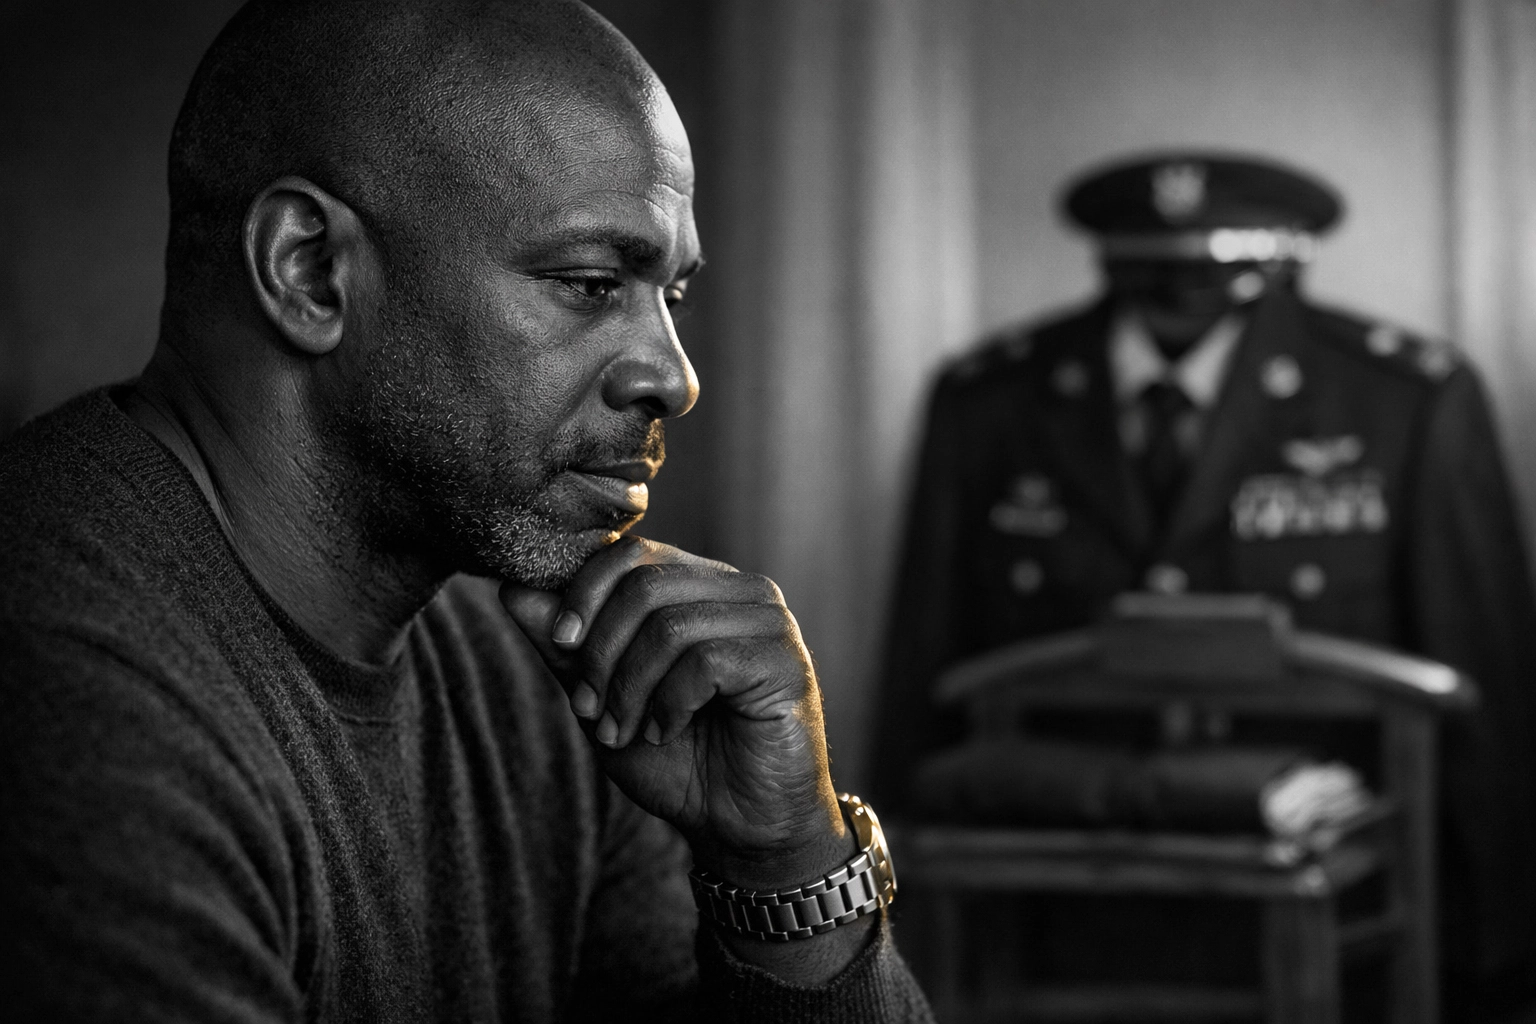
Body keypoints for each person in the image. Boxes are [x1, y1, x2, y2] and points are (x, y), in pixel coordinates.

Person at [0, 1, 933, 1020]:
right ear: (310, 271)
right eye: (591, 283)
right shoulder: (72, 683)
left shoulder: (540, 665)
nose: (674, 377)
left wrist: (784, 859)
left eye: (673, 297)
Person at [872, 152, 1536, 1017]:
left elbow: (1484, 692)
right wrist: (881, 936)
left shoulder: (1403, 398)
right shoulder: (990, 401)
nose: (1182, 288)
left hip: (1337, 938)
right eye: (1158, 267)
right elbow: (922, 675)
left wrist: (1497, 962)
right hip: (1052, 937)